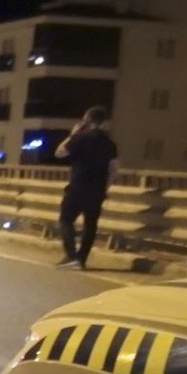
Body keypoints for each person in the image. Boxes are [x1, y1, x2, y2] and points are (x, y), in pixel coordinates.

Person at [53, 106, 119, 270]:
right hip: (97, 189)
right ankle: (81, 259)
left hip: (77, 185)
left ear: (86, 121)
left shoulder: (80, 137)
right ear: (104, 122)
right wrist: (105, 188)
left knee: (66, 219)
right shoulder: (109, 143)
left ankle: (71, 256)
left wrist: (73, 134)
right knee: (90, 225)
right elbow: (114, 169)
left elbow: (59, 153)